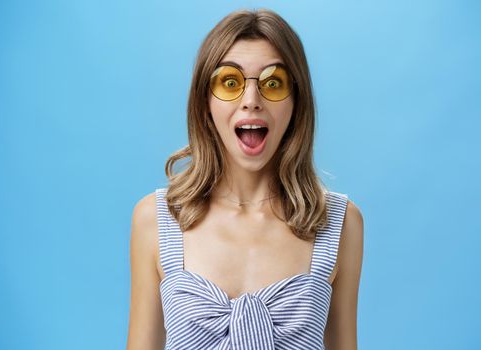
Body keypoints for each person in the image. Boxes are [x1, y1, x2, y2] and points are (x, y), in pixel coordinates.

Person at [127, 8, 364, 350]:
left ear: (296, 103)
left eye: (273, 83)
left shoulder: (341, 224)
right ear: (204, 103)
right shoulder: (155, 219)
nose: (251, 101)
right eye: (230, 82)